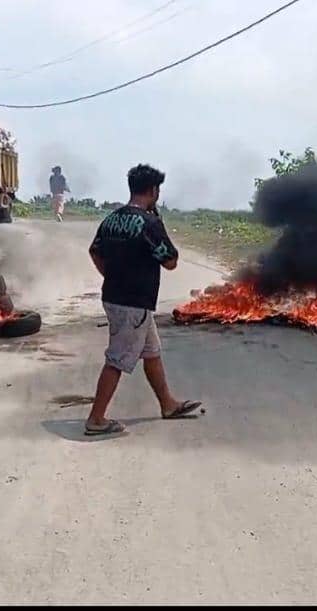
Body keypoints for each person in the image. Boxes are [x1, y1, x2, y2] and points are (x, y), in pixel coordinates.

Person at [85, 164, 201, 436]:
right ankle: (96, 419)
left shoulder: (111, 219)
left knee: (151, 352)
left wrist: (111, 276)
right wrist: (158, 223)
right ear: (153, 190)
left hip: (116, 297)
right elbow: (170, 261)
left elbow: (94, 251)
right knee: (117, 358)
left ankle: (168, 405)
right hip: (133, 303)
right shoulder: (149, 223)